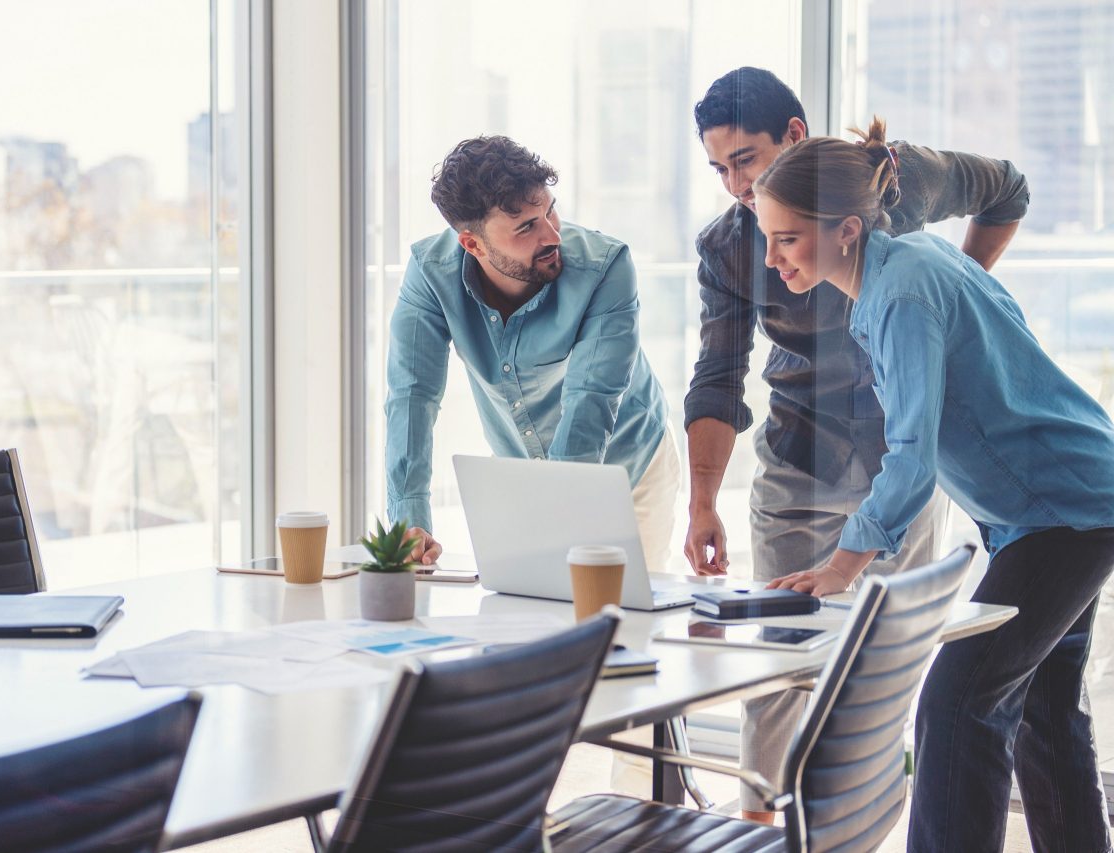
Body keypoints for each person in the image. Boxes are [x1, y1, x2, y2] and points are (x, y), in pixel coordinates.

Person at [682, 67, 1030, 822]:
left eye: (744, 159)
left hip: (900, 460)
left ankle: (857, 823)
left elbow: (1008, 188)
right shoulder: (728, 247)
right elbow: (717, 375)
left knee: (888, 661)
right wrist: (703, 500)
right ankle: (761, 825)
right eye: (718, 168)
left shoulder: (895, 181)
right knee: (775, 663)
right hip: (797, 456)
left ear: (795, 138)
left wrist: (960, 286)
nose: (735, 185)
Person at [756, 119, 1114, 853]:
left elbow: (912, 455)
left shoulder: (901, 295)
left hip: (1065, 513)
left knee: (959, 701)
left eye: (786, 238)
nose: (772, 257)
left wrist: (842, 565)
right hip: (1053, 506)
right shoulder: (909, 264)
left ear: (846, 230)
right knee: (1044, 706)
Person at [385, 135, 677, 570]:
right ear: (473, 245)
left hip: (627, 465)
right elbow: (412, 396)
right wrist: (410, 523)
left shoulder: (605, 267)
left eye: (549, 211)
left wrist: (553, 521)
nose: (552, 234)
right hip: (524, 471)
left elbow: (590, 400)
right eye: (526, 227)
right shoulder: (431, 274)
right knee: (529, 615)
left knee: (619, 614)